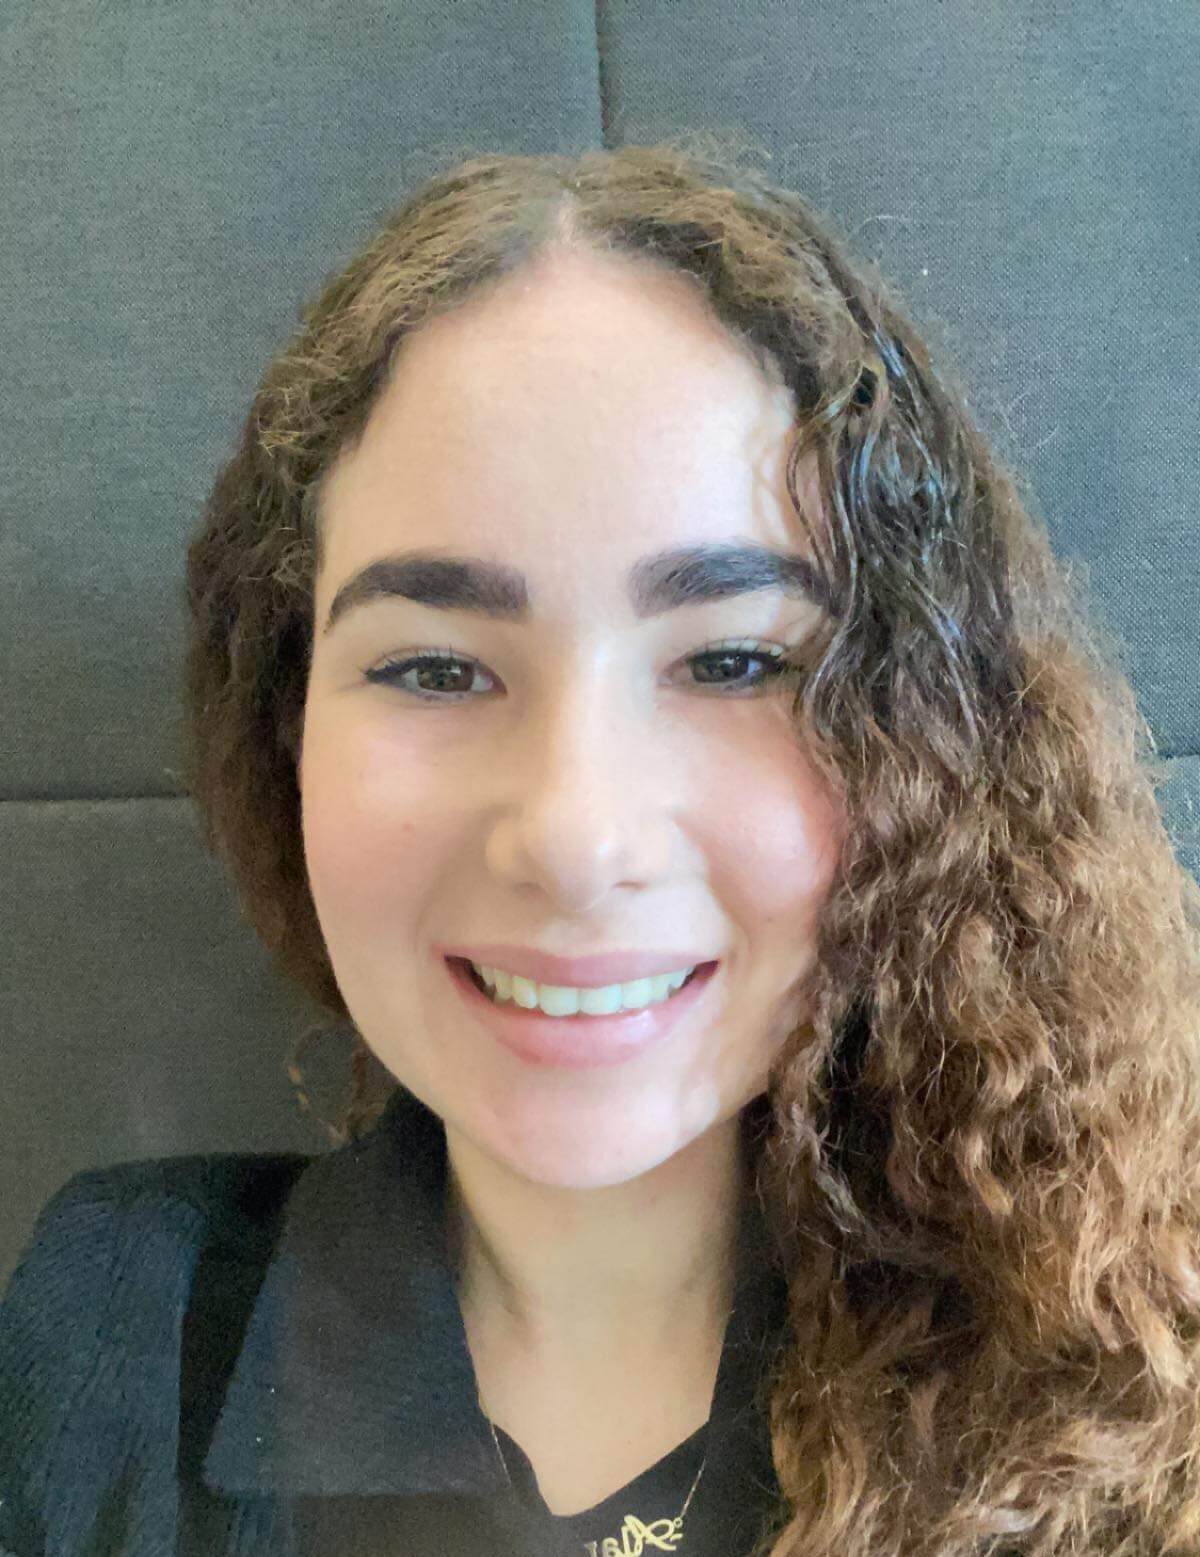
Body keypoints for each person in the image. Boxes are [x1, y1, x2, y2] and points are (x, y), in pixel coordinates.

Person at [2, 136, 1199, 1557]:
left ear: (933, 738)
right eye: (436, 668)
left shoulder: (1148, 1367)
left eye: (735, 662)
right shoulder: (113, 1336)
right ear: (285, 729)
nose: (576, 839)